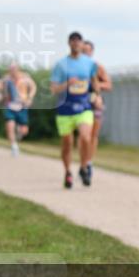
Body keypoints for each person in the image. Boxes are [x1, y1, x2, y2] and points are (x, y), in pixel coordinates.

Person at [51, 32, 100, 188]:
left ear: (82, 43)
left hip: (84, 107)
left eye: (79, 41)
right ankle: (67, 172)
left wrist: (97, 95)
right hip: (65, 109)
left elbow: (94, 83)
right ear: (69, 43)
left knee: (86, 137)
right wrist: (67, 84)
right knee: (67, 143)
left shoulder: (90, 63)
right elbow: (53, 89)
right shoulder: (61, 65)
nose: (76, 43)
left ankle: (84, 167)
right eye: (73, 41)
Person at [81, 39, 112, 174]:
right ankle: (83, 161)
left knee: (93, 135)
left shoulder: (98, 67)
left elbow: (109, 85)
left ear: (92, 52)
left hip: (95, 104)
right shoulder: (73, 68)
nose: (85, 53)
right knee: (83, 135)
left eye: (87, 51)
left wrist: (96, 86)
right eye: (83, 51)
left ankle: (88, 162)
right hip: (79, 105)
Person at [3, 62, 36, 157]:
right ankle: (14, 147)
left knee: (24, 131)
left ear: (18, 69)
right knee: (9, 127)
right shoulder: (7, 79)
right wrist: (3, 96)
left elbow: (33, 87)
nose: (12, 71)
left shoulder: (25, 78)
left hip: (22, 106)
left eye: (14, 69)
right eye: (10, 69)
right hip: (10, 106)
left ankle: (18, 135)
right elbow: (3, 88)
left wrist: (30, 98)